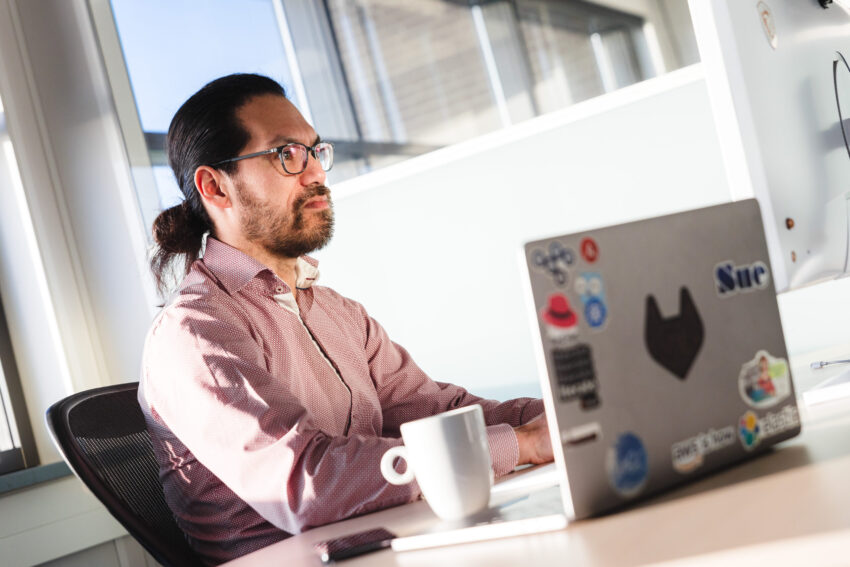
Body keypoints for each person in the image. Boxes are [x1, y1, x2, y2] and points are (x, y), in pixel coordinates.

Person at [139, 73, 553, 565]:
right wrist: (522, 445)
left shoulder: (338, 312)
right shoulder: (196, 334)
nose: (316, 172)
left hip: (391, 544)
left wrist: (558, 416)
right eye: (287, 154)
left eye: (315, 151)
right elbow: (308, 482)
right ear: (215, 187)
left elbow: (438, 412)